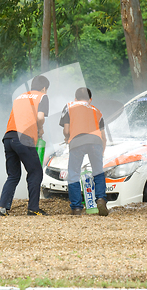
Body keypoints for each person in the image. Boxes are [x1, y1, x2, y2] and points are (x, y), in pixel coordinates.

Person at [0, 75, 50, 216]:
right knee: (35, 172)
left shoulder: (20, 97)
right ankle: (33, 209)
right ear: (44, 88)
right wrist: (40, 129)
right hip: (23, 138)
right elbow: (40, 117)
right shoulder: (42, 96)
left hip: (9, 137)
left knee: (13, 175)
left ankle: (2, 208)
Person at [60, 87, 108, 216]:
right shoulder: (97, 111)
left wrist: (67, 137)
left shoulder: (69, 106)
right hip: (96, 142)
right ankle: (101, 200)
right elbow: (104, 136)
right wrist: (101, 152)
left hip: (77, 142)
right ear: (90, 99)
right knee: (98, 172)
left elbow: (66, 130)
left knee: (74, 173)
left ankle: (76, 207)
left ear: (75, 98)